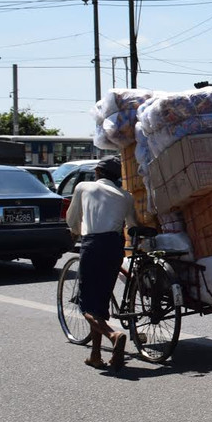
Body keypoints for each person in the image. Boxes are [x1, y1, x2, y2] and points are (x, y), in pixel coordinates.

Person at [66, 156, 138, 373]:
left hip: (93, 245)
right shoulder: (126, 196)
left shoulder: (83, 187)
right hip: (114, 246)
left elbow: (73, 220)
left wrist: (75, 234)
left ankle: (113, 335)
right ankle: (95, 355)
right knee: (101, 302)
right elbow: (133, 225)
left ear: (97, 171)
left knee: (87, 305)